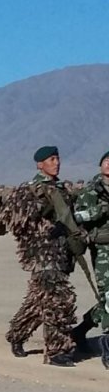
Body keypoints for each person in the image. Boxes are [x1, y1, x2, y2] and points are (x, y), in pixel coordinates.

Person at [3, 146, 78, 366]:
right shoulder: (30, 189)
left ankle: (17, 334)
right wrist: (42, 211)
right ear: (40, 164)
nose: (57, 163)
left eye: (57, 159)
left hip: (61, 252)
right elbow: (13, 219)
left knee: (38, 301)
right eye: (51, 159)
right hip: (42, 253)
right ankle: (56, 351)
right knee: (57, 299)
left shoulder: (62, 189)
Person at [69, 149, 109, 368]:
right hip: (103, 250)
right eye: (106, 160)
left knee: (106, 301)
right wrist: (101, 209)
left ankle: (80, 330)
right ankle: (107, 346)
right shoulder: (92, 191)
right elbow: (79, 215)